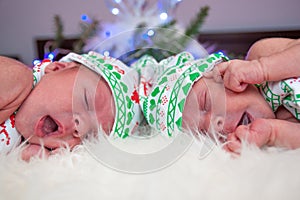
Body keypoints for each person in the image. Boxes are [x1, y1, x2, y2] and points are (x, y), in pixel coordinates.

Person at [138, 37, 300, 154]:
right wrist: (274, 133)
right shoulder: (284, 119)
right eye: (202, 132)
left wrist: (261, 68)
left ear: (222, 72)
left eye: (206, 103)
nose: (213, 125)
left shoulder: (262, 55)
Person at [0, 51, 143, 160]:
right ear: (57, 68)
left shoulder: (30, 147)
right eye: (86, 101)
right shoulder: (17, 79)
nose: (80, 127)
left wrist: (29, 155)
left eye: (89, 135)